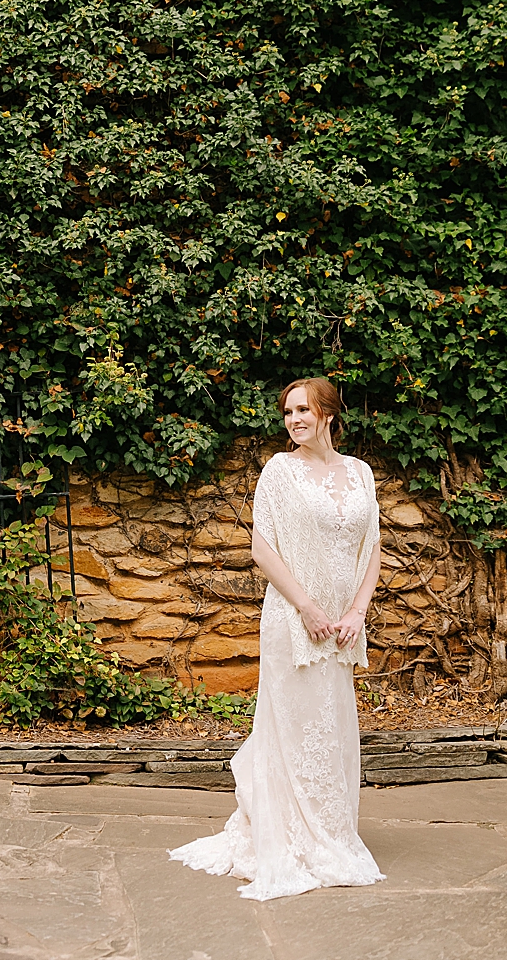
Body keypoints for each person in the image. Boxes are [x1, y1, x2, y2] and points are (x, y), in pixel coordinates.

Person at [169, 376, 386, 899]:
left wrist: (357, 611)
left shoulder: (360, 474)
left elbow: (372, 548)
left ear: (329, 414)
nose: (294, 420)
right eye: (288, 412)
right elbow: (263, 552)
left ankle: (331, 832)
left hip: (342, 625)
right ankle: (288, 836)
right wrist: (309, 609)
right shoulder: (279, 472)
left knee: (331, 728)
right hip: (293, 620)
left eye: (304, 410)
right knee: (293, 727)